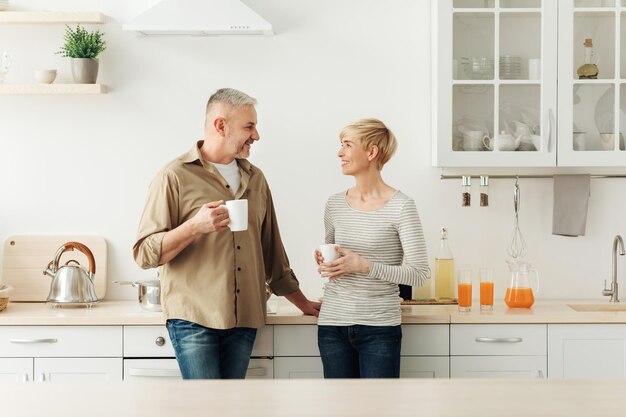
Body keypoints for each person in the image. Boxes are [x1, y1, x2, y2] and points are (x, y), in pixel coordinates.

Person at [133, 88, 321, 379]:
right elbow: (145, 253)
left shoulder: (255, 178)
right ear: (221, 125)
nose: (256, 135)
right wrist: (195, 226)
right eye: (249, 126)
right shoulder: (174, 176)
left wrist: (302, 302)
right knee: (205, 408)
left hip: (244, 316)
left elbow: (272, 252)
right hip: (194, 317)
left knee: (233, 407)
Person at [315, 118, 430, 378]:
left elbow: (419, 273)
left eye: (347, 145)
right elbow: (334, 257)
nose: (339, 152)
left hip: (379, 328)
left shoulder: (402, 206)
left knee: (379, 409)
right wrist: (325, 259)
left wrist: (364, 266)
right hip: (333, 325)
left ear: (371, 152)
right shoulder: (334, 204)